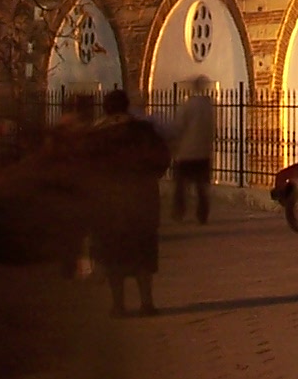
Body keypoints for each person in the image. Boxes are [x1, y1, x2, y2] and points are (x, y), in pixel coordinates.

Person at [84, 89, 169, 315]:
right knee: (143, 253)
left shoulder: (95, 135)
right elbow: (162, 158)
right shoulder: (144, 131)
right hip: (141, 200)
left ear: (105, 108)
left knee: (113, 254)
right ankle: (146, 303)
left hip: (108, 203)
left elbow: (85, 168)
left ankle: (118, 304)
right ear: (127, 106)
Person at [168, 76, 216, 225]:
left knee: (181, 186)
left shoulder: (187, 106)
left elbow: (178, 127)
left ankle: (179, 212)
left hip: (186, 152)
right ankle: (202, 214)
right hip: (203, 152)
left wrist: (174, 145)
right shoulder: (209, 107)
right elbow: (211, 129)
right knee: (202, 187)